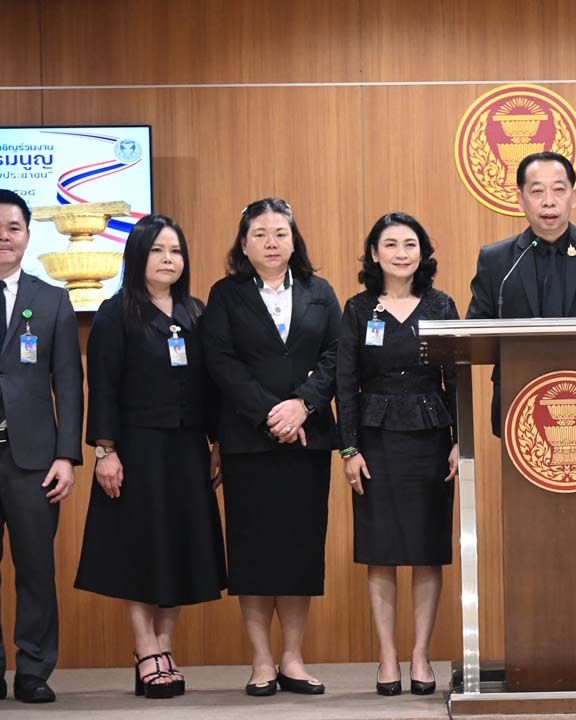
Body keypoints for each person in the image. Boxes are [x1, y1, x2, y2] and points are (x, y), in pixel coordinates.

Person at [75, 214, 228, 699]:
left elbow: (211, 387)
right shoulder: (116, 311)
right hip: (136, 450)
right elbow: (102, 386)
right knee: (141, 551)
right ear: (138, 256)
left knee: (178, 548)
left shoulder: (196, 312)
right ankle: (145, 649)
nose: (168, 259)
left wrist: (217, 442)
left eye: (176, 251)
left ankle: (164, 645)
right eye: (158, 250)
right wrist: (105, 451)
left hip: (187, 449)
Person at [202, 198, 341, 696]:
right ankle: (261, 660)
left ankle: (293, 658)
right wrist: (269, 414)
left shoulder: (320, 292)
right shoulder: (225, 295)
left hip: (308, 439)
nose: (271, 243)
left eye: (280, 233)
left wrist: (303, 405)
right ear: (243, 245)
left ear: (294, 240)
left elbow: (336, 355)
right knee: (254, 552)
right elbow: (221, 362)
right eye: (259, 234)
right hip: (249, 443)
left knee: (300, 552)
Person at [337, 212, 459, 696]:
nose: (401, 253)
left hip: (431, 439)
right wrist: (349, 448)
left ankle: (421, 654)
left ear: (423, 252)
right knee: (381, 552)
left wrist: (461, 443)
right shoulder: (357, 309)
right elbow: (346, 383)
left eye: (410, 244)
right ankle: (387, 655)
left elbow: (457, 379)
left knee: (428, 551)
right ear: (374, 253)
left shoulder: (441, 305)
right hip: (376, 441)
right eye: (390, 244)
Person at [465, 150, 576, 434]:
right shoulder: (497, 260)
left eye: (559, 189)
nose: (549, 201)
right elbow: (476, 332)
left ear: (573, 196)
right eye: (537, 191)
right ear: (520, 198)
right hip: (518, 403)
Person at [0, 189, 83, 703]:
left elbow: (69, 384)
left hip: (33, 459)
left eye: (12, 227)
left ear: (28, 235)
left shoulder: (51, 300)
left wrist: (66, 455)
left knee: (35, 569)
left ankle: (33, 670)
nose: (3, 237)